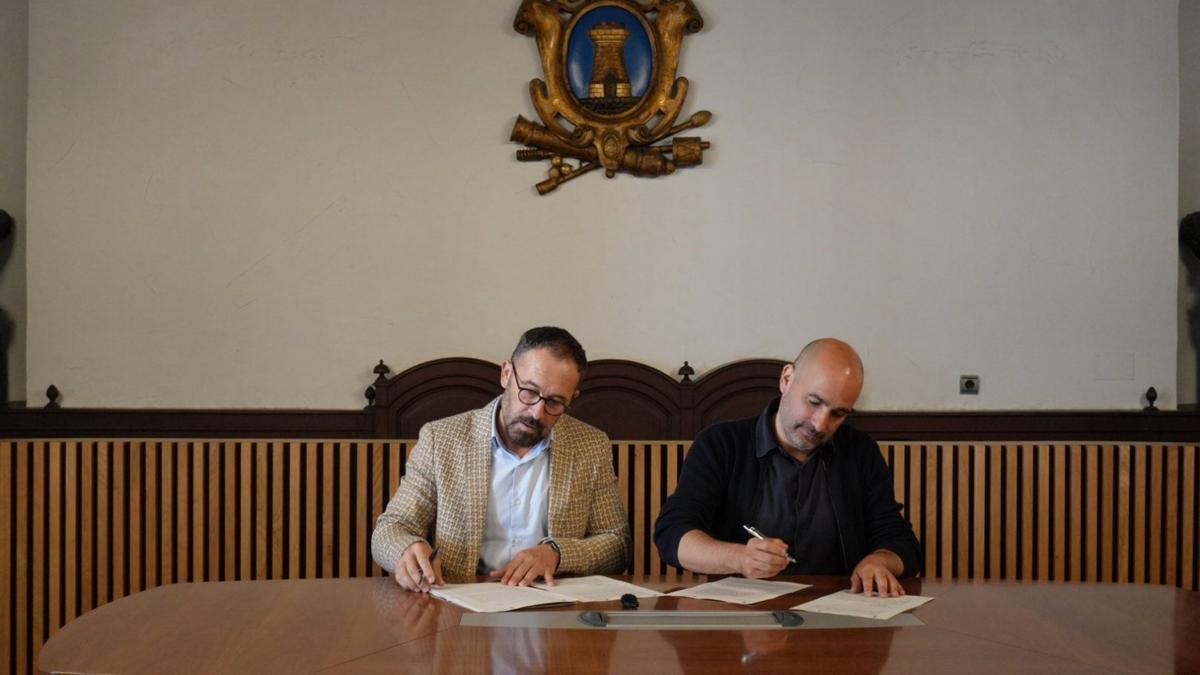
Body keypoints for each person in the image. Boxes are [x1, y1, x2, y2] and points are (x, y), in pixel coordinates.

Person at [653, 338, 920, 596]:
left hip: (835, 611)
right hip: (739, 613)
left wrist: (879, 562)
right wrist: (739, 558)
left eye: (838, 413)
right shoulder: (721, 444)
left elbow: (901, 542)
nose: (820, 424)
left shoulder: (860, 452)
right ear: (786, 379)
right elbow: (672, 534)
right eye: (813, 402)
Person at [371, 326, 630, 591]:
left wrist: (557, 554)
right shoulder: (441, 440)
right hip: (460, 599)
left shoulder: (590, 446)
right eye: (529, 391)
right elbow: (392, 528)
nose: (537, 413)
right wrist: (407, 549)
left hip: (551, 602)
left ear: (572, 398)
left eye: (554, 402)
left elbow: (617, 545)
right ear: (506, 374)